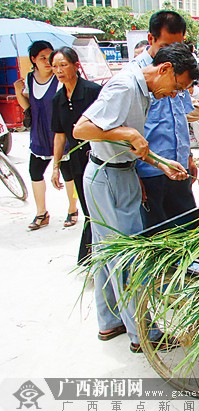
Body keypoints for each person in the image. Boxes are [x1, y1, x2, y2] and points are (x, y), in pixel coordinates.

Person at [73, 43, 198, 353]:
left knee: (107, 254)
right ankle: (143, 333)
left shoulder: (142, 91)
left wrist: (161, 164)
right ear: (165, 69)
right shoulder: (125, 86)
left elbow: (135, 144)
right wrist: (127, 134)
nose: (174, 95)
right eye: (177, 87)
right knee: (129, 257)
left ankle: (109, 321)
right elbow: (82, 129)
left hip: (119, 173)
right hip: (109, 177)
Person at [133, 11, 199, 229]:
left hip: (179, 169)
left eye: (178, 47)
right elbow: (125, 131)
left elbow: (182, 118)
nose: (173, 55)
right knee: (158, 237)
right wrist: (134, 175)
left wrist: (188, 156)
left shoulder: (180, 70)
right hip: (149, 172)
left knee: (189, 231)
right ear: (150, 39)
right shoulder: (135, 77)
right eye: (165, 47)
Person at [14, 40, 76, 231]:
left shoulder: (60, 79)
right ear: (33, 60)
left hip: (60, 134)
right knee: (35, 172)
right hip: (39, 135)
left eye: (50, 57)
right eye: (42, 58)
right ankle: (41, 213)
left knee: (68, 174)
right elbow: (29, 107)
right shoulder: (29, 79)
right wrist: (18, 91)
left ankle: (73, 209)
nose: (48, 62)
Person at [50, 47, 102, 264]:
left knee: (101, 208)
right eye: (54, 66)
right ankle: (91, 257)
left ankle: (97, 255)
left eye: (63, 65)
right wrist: (55, 166)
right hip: (77, 161)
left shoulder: (92, 91)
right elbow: (60, 135)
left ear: (75, 65)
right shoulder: (58, 99)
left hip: (100, 158)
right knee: (87, 207)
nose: (59, 70)